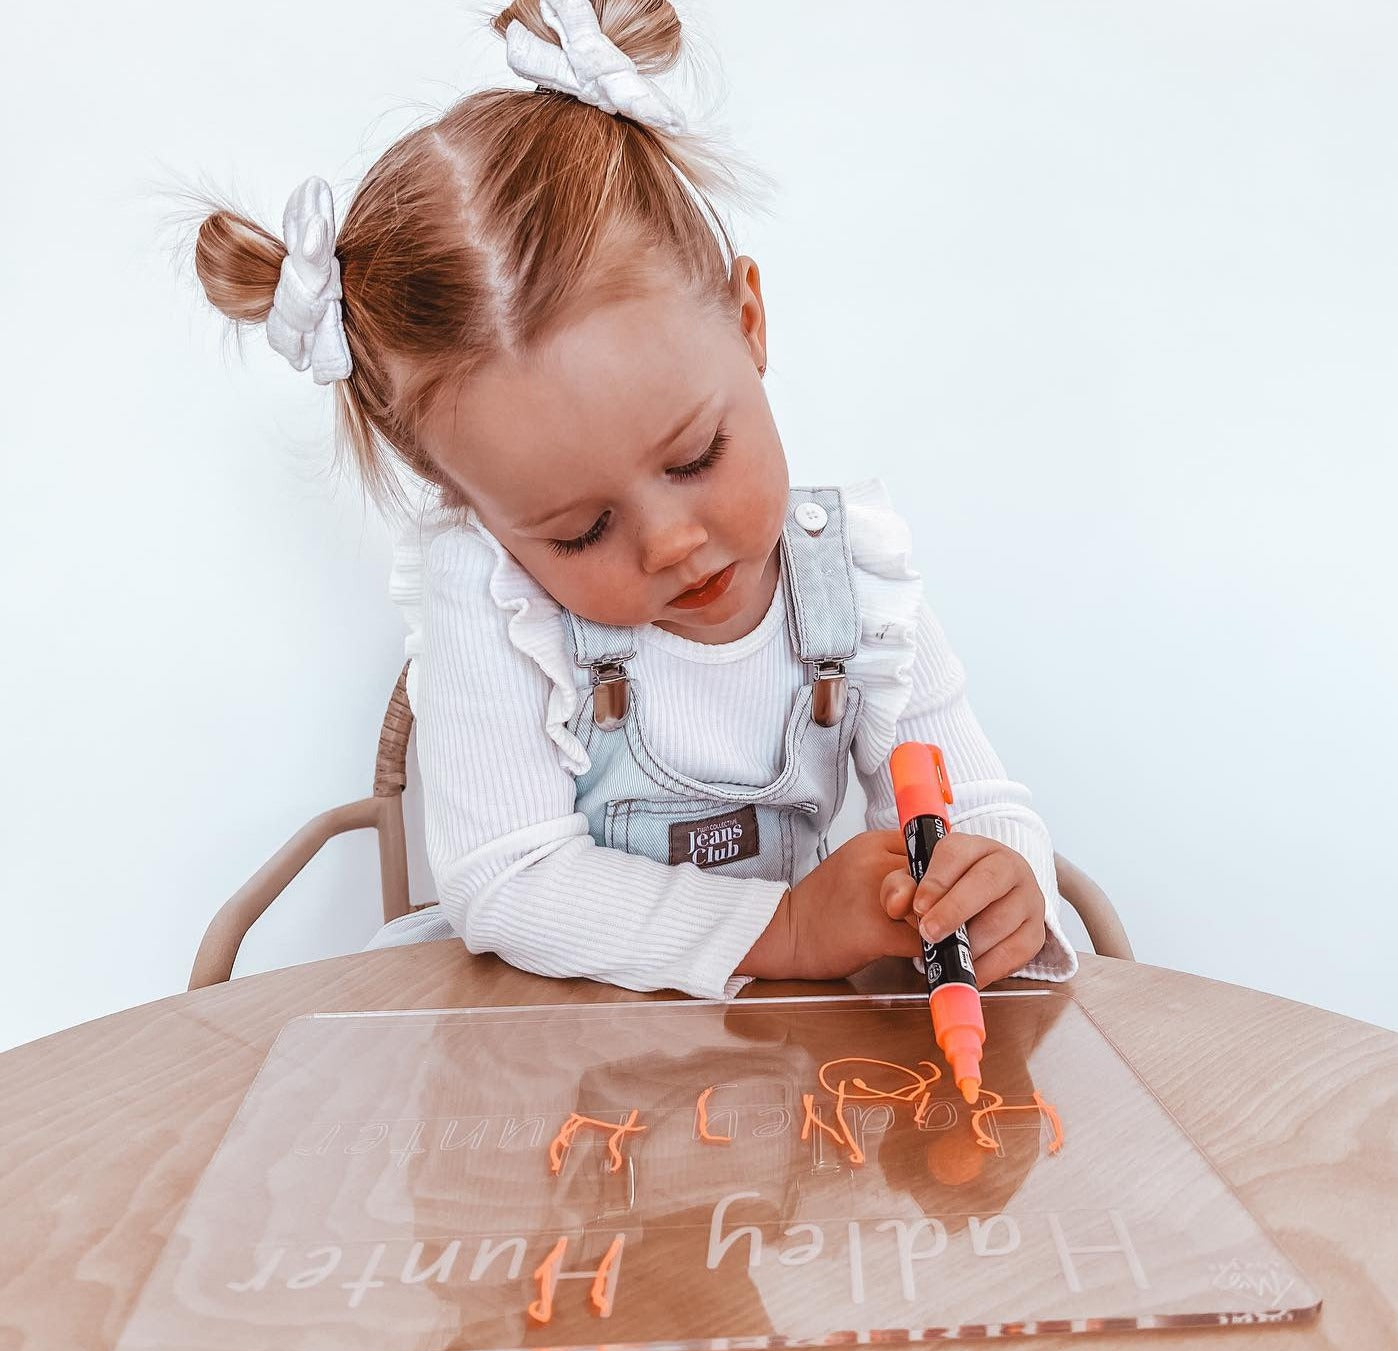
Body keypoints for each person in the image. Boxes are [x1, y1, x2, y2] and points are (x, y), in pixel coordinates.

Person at [188, 0, 1077, 999]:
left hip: (773, 1069)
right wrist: (780, 928)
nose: (670, 543)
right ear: (474, 506)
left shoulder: (854, 580)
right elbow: (508, 879)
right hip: (552, 1070)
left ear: (748, 324)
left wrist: (999, 884)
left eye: (697, 456)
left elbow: (982, 804)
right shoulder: (488, 596)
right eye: (577, 532)